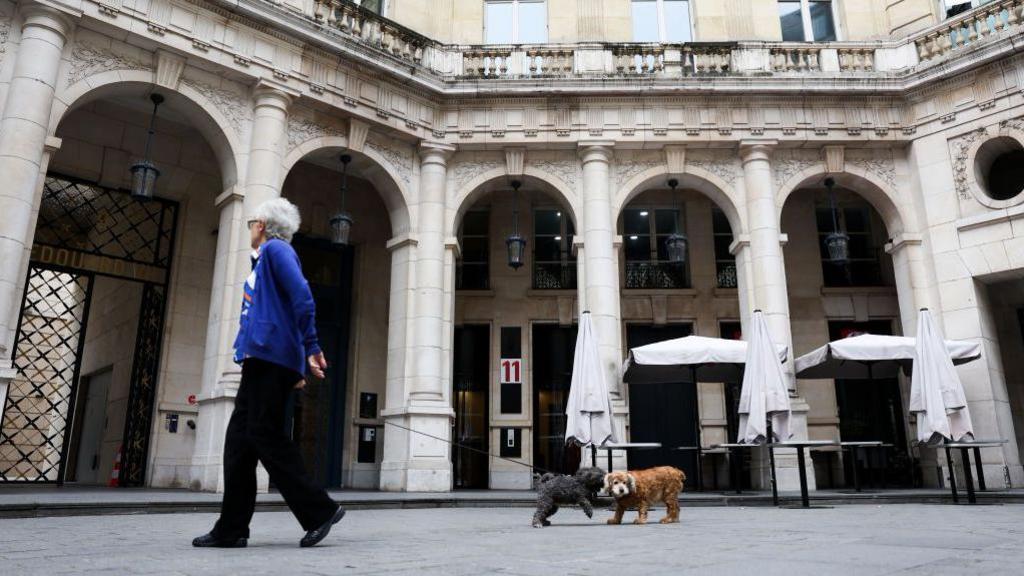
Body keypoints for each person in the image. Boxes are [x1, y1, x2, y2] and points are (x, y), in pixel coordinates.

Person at [193, 198, 344, 548]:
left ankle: (319, 510)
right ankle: (231, 529)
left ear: (262, 224)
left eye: (251, 222)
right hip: (261, 359)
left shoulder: (277, 251)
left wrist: (309, 348)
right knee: (238, 447)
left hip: (270, 359)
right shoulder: (262, 260)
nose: (249, 228)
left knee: (265, 436)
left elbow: (303, 297)